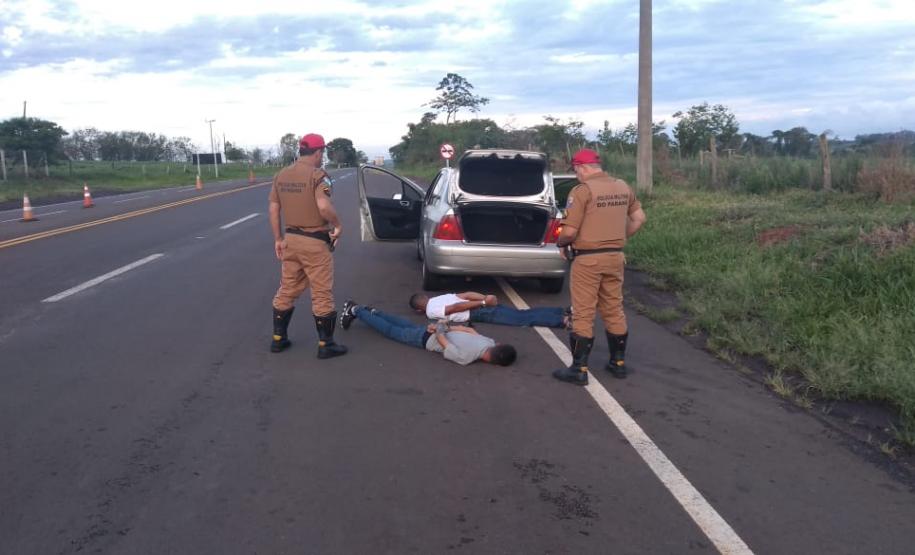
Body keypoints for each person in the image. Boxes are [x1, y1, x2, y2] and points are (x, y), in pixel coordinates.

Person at [552, 148, 647, 385]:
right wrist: (617, 239)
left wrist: (560, 243)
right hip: (615, 257)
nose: (576, 175)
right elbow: (639, 218)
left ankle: (579, 369)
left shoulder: (582, 191)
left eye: (576, 170)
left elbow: (569, 232)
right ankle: (618, 363)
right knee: (614, 309)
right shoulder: (622, 186)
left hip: (588, 260)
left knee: (583, 312)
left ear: (583, 168)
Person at [268, 133, 347, 359]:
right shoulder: (318, 176)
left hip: (291, 240)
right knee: (321, 293)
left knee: (287, 289)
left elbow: (274, 209)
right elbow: (323, 207)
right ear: (318, 152)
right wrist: (338, 225)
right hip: (315, 242)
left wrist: (278, 239)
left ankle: (278, 339)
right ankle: (325, 344)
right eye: (322, 152)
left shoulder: (281, 175)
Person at [338, 300, 517, 367]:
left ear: (499, 346)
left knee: (402, 324)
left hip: (430, 331)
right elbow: (444, 342)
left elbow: (468, 330)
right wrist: (440, 328)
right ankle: (356, 310)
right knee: (392, 330)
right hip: (426, 338)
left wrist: (445, 326)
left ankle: (372, 312)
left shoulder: (488, 341)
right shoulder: (467, 358)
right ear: (493, 362)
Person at [408, 291, 571, 329]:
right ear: (425, 297)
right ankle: (561, 311)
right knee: (523, 314)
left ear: (419, 310)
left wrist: (483, 302)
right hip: (481, 305)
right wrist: (485, 298)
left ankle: (562, 320)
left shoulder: (431, 311)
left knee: (521, 319)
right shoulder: (438, 298)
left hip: (478, 311)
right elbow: (466, 294)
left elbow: (456, 308)